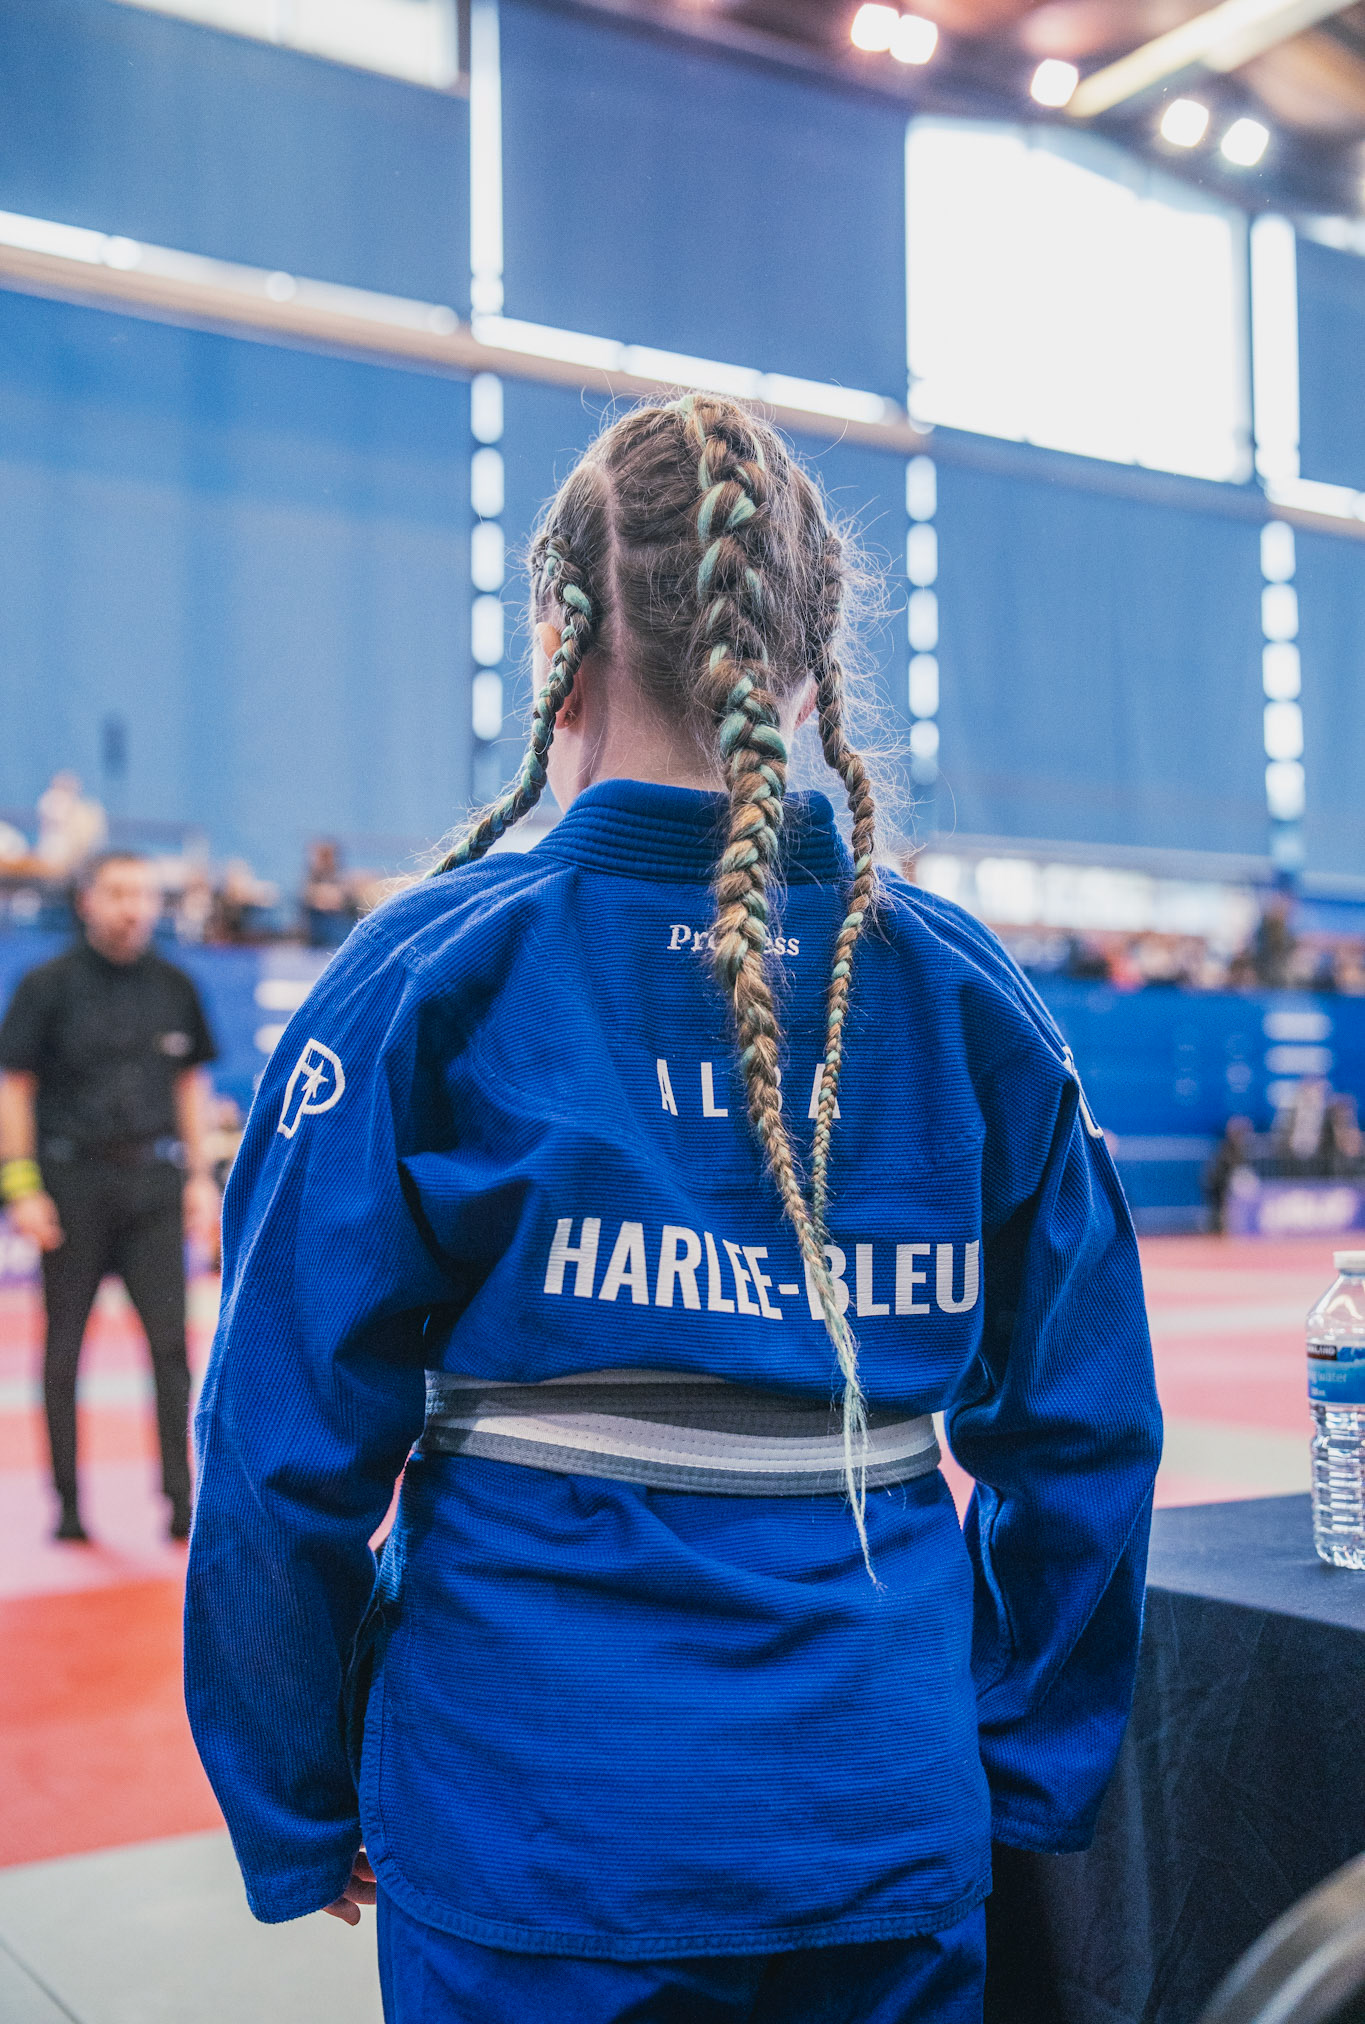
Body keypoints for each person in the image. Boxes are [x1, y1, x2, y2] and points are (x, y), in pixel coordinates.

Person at [184, 396, 1162, 2024]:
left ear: (559, 637)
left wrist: (296, 1790)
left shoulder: (427, 976)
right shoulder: (967, 995)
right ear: (814, 655)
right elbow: (1088, 1441)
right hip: (881, 1805)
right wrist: (1013, 1760)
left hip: (537, 1827)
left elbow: (274, 1455)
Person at [0, 850, 220, 1542]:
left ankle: (181, 1502)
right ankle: (67, 1506)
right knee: (64, 1349)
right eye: (119, 893)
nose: (133, 907)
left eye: (144, 894)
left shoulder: (176, 986)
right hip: (71, 1187)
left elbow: (190, 1087)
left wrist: (200, 1180)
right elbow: (15, 1088)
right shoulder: (46, 986)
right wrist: (21, 1186)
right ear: (87, 901)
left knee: (171, 1351)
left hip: (154, 1186)